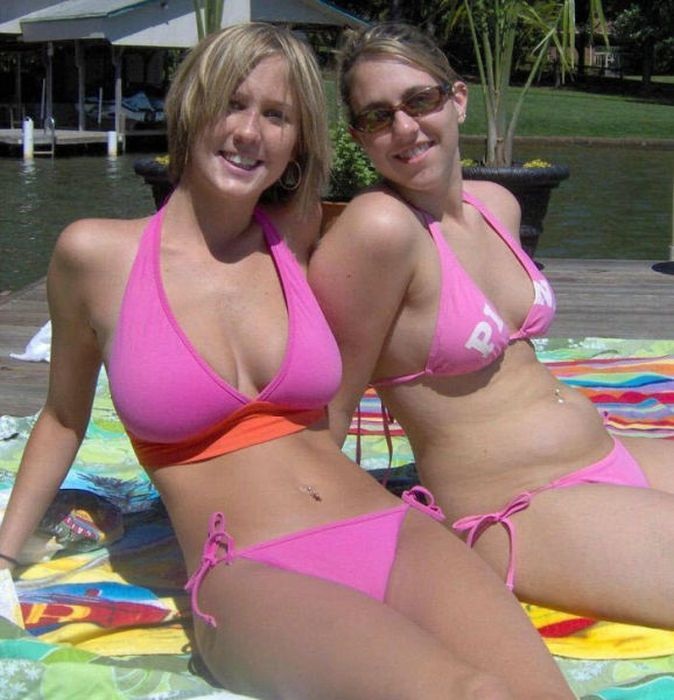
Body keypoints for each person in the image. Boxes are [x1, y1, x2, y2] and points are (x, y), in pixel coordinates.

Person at [0, 23, 573, 700]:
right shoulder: (96, 256)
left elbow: (422, 228)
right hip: (250, 569)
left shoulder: (297, 236)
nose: (250, 132)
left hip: (392, 531)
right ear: (190, 106)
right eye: (232, 103)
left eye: (277, 116)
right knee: (470, 694)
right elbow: (64, 418)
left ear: (298, 143)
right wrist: (4, 555)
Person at [310, 21, 674, 632]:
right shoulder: (379, 230)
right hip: (521, 505)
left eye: (420, 101)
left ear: (457, 99)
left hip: (607, 452)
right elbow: (326, 410)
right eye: (378, 116)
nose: (405, 127)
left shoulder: (495, 205)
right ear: (358, 137)